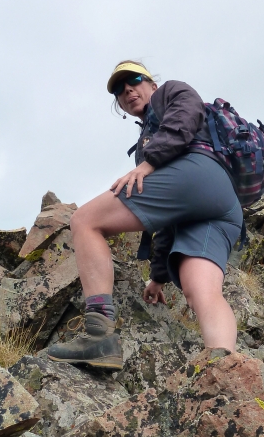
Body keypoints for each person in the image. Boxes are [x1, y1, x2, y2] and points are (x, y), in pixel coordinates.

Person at [47, 60, 243, 369]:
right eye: (118, 90)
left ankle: (99, 336)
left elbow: (188, 114)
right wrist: (158, 277)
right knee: (201, 291)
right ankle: (226, 371)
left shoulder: (170, 92)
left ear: (152, 84)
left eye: (134, 80)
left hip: (200, 174)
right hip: (220, 208)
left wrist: (148, 163)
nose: (127, 89)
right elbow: (163, 219)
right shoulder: (147, 145)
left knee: (85, 221)